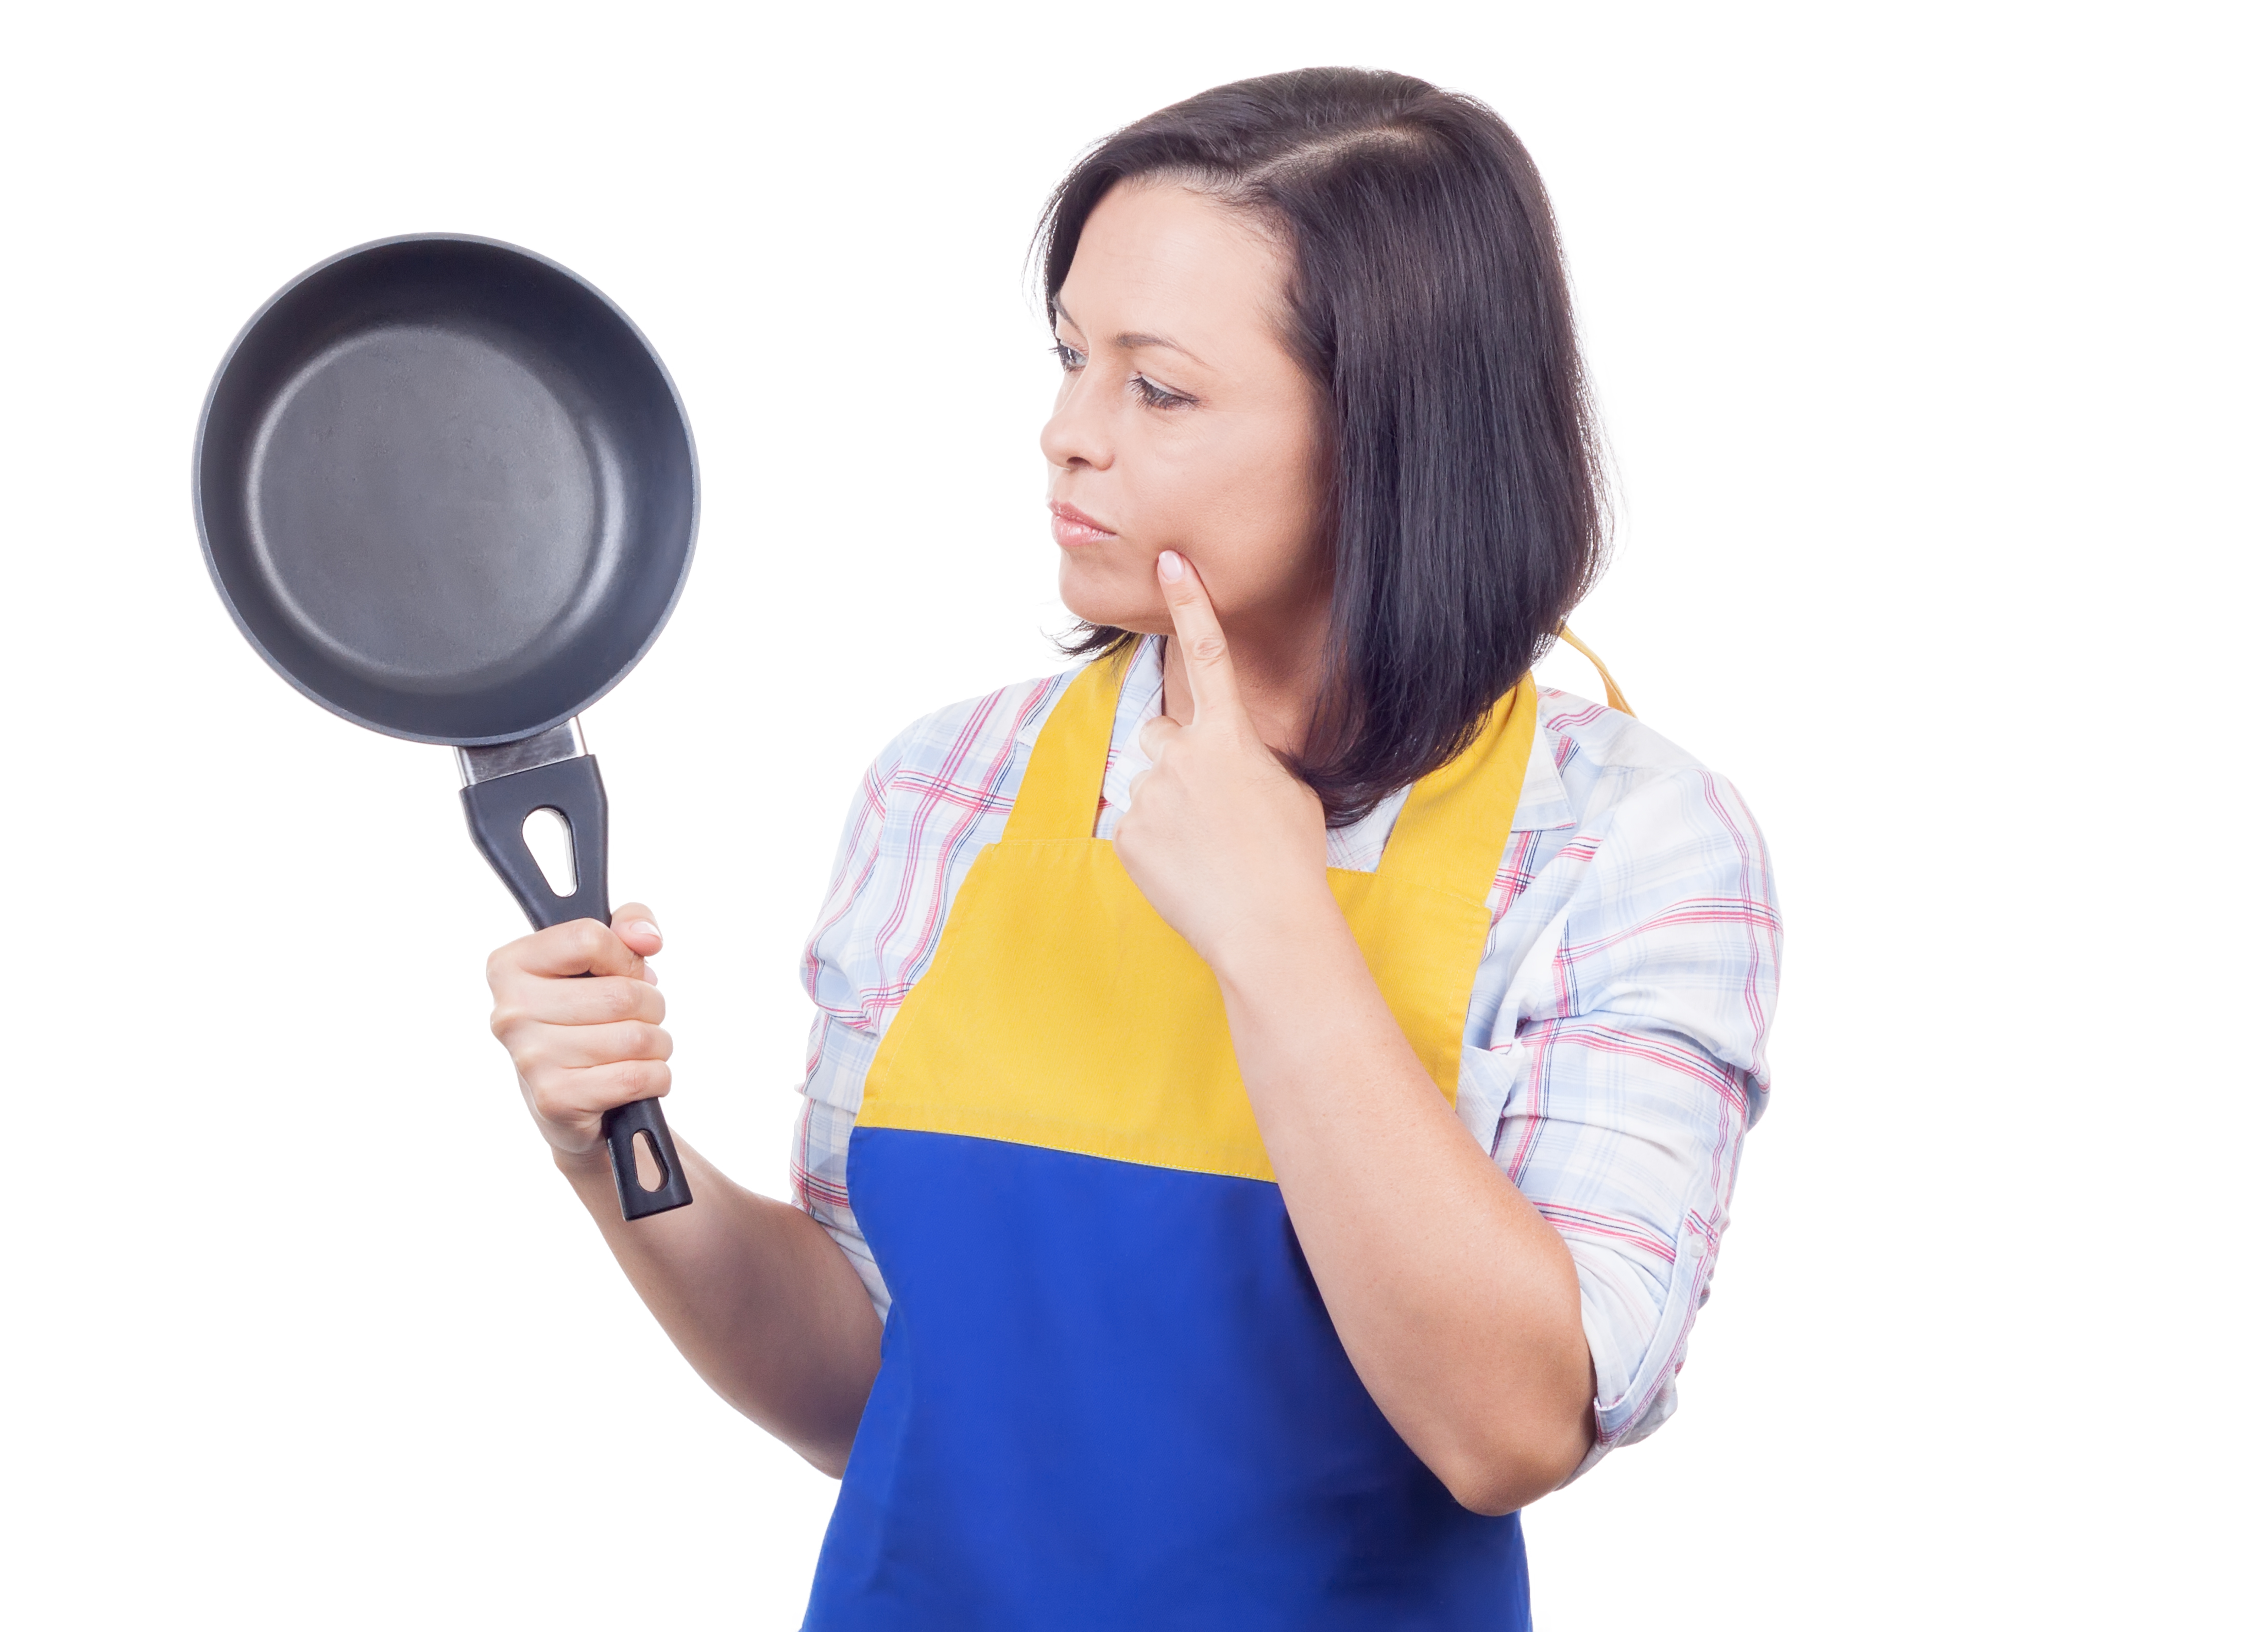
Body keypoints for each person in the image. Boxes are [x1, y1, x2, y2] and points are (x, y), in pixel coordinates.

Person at [484, 67, 1781, 1629]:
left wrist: (1275, 928)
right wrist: (621, 1155)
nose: (1064, 436)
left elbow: (1508, 1432)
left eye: (1155, 389)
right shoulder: (950, 785)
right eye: (1069, 359)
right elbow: (879, 1383)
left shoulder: (1624, 848)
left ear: (1389, 436)